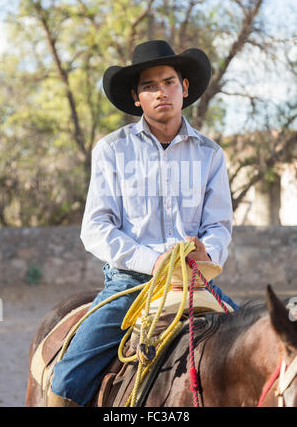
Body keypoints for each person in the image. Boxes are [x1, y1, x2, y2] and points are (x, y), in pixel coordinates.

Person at [48, 40, 239, 407]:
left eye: (168, 82)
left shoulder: (210, 154)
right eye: (149, 86)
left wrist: (207, 249)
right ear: (137, 97)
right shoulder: (112, 150)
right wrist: (152, 261)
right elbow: (96, 228)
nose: (160, 92)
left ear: (184, 87)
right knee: (69, 376)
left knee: (259, 344)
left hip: (192, 282)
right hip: (130, 284)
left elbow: (218, 225)